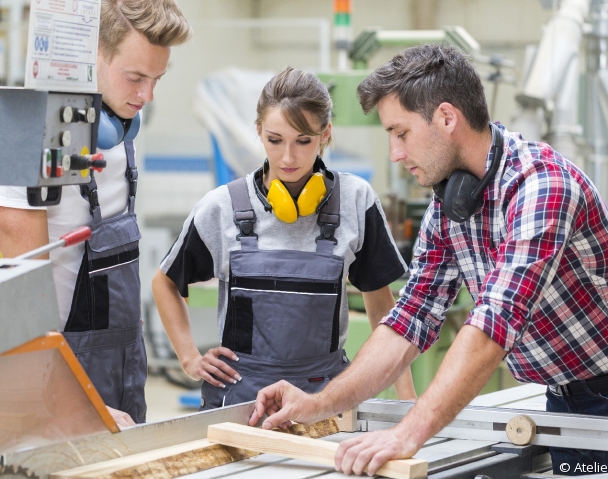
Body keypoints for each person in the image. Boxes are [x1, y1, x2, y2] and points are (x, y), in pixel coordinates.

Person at [249, 44, 608, 476]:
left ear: (447, 118)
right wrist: (320, 402)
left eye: (401, 133)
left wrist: (408, 433)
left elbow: (496, 321)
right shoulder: (450, 207)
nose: (396, 153)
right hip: (562, 394)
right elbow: (410, 318)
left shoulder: (540, 187)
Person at [152, 67, 416, 410]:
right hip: (240, 401)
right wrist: (189, 358)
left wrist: (407, 400)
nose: (288, 158)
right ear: (259, 131)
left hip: (324, 399)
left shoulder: (355, 201)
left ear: (325, 134)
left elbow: (382, 308)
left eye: (303, 141)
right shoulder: (223, 207)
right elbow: (165, 282)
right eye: (275, 140)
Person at [0, 0, 191, 428]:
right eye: (135, 77)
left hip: (123, 367)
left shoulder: (121, 126)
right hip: (49, 379)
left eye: (157, 79)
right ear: (90, 55)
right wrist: (73, 402)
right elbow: (23, 309)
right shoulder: (19, 128)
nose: (146, 96)